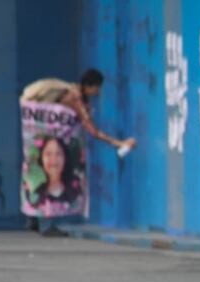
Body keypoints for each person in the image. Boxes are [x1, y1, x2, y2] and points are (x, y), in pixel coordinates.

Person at [20, 68, 135, 236]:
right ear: (90, 86)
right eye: (97, 88)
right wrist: (119, 143)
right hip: (54, 142)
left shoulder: (70, 91)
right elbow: (94, 131)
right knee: (52, 177)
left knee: (40, 173)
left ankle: (33, 220)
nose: (98, 92)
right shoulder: (76, 98)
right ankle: (46, 225)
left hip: (42, 140)